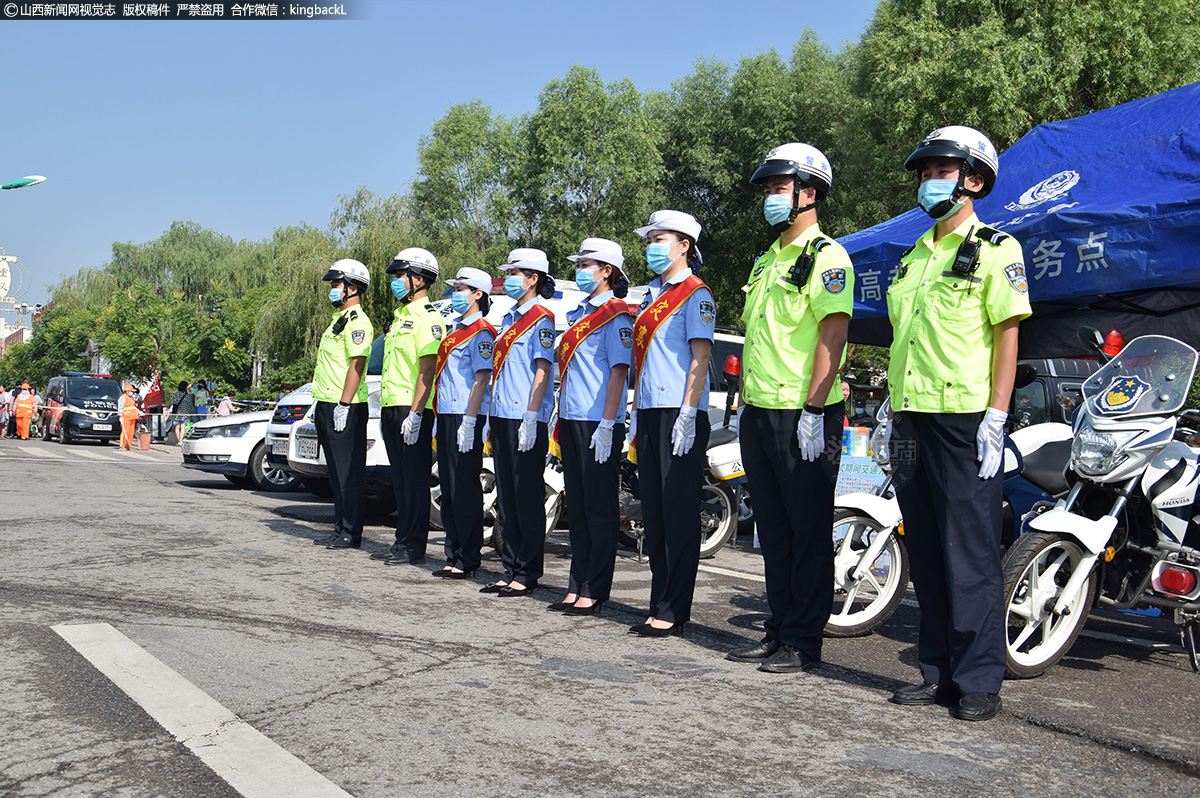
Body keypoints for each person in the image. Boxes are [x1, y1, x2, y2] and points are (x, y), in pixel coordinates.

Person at [878, 126, 1031, 722]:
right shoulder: (915, 254)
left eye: (941, 170)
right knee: (929, 548)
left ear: (973, 180)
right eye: (925, 172)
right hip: (912, 416)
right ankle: (937, 670)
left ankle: (978, 680)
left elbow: (1007, 334)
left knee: (969, 553)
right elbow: (906, 337)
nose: (928, 181)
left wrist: (997, 413)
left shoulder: (997, 249)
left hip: (966, 419)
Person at [726, 143, 852, 673]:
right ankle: (777, 628)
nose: (771, 197)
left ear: (810, 192)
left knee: (807, 530)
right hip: (759, 411)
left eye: (780, 187)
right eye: (770, 189)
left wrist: (813, 408)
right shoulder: (765, 259)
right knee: (772, 529)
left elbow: (834, 331)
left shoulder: (827, 256)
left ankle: (805, 640)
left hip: (805, 414)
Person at [628, 210, 714, 637]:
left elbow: (700, 358)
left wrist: (687, 412)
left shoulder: (695, 294)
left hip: (680, 412)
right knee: (656, 513)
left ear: (685, 245)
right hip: (648, 411)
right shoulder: (650, 296)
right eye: (650, 239)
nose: (652, 246)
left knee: (678, 514)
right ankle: (657, 600)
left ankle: (673, 608)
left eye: (661, 238)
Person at [549, 238, 633, 617]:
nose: (580, 271)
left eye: (587, 265)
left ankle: (595, 588)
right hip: (572, 417)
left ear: (607, 271)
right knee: (578, 507)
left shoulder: (615, 316)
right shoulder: (580, 313)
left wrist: (606, 422)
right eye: (579, 264)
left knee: (598, 508)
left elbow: (619, 371)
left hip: (599, 421)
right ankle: (576, 583)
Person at [479, 248, 557, 598]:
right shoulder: (508, 318)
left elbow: (542, 370)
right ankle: (509, 566)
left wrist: (531, 415)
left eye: (515, 273)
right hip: (502, 414)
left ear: (532, 278)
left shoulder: (542, 319)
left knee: (526, 496)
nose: (509, 279)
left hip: (526, 417)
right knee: (507, 497)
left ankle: (527, 570)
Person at [372, 247, 445, 568]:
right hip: (392, 406)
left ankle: (414, 546)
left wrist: (416, 413)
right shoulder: (399, 318)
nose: (397, 281)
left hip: (412, 409)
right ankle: (401, 540)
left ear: (419, 279)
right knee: (400, 480)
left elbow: (427, 371)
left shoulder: (428, 319)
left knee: (414, 480)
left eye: (402, 275)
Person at [430, 267, 496, 578]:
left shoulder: (481, 332)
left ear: (477, 294)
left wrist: (470, 421)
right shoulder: (455, 330)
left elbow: (481, 379)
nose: (455, 295)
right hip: (447, 413)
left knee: (464, 488)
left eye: (460, 289)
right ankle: (452, 551)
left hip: (465, 415)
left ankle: (468, 556)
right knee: (449, 486)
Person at [310, 258, 375, 550]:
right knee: (335, 473)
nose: (333, 289)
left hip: (345, 406)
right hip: (328, 403)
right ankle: (339, 527)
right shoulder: (339, 321)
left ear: (353, 288)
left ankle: (351, 531)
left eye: (337, 284)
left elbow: (356, 366)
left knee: (349, 473)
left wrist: (344, 405)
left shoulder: (359, 322)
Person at [117, 384, 140, 449]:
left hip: (132, 417)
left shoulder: (132, 398)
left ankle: (128, 445)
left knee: (131, 433)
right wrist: (120, 416)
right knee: (125, 431)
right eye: (131, 391)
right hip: (125, 417)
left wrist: (139, 412)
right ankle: (122, 445)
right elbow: (120, 407)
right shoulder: (123, 397)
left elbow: (133, 407)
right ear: (127, 391)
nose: (132, 393)